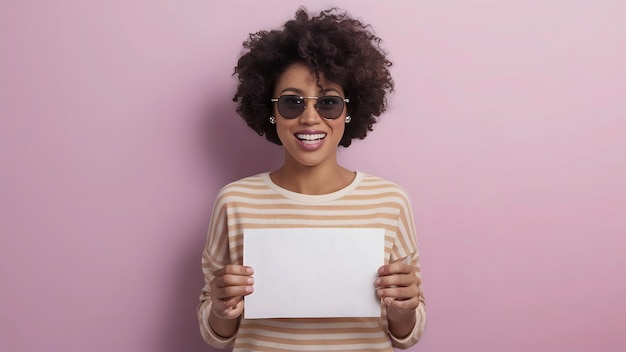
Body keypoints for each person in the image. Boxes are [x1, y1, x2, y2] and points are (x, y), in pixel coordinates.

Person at [198, 7, 426, 351]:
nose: (309, 117)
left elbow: (406, 332)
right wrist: (220, 308)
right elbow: (216, 331)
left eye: (329, 103)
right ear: (270, 110)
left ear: (350, 110)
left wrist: (405, 308)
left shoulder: (390, 201)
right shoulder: (235, 202)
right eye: (292, 102)